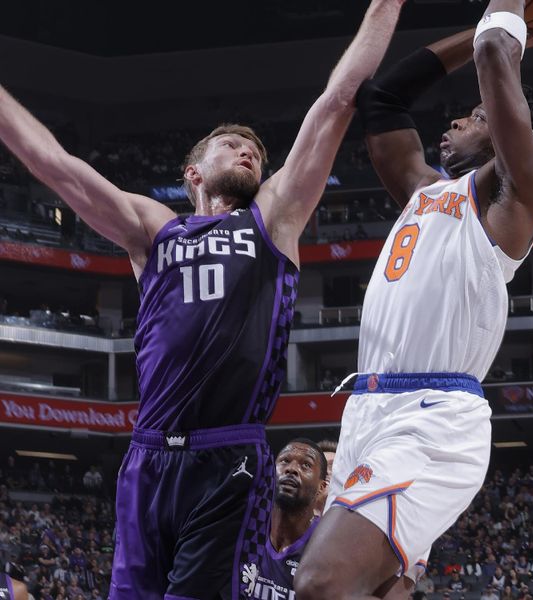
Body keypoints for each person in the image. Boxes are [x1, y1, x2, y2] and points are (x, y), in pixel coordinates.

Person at [0, 1, 406, 597]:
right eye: (232, 143)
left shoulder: (274, 218)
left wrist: (387, 4)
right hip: (147, 455)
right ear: (193, 170)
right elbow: (54, 166)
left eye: (256, 151)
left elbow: (336, 100)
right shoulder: (151, 227)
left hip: (228, 459)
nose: (249, 151)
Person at [295, 1, 533, 598]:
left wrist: (511, 16)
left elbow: (496, 56)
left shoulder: (518, 196)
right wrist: (472, 35)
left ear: (502, 123)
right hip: (368, 412)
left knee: (319, 583)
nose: (451, 126)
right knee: (378, 589)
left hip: (433, 419)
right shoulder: (424, 190)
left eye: (471, 117)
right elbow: (383, 98)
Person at [242, 439, 327, 599]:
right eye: (285, 461)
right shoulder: (243, 528)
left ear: (321, 487)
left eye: (306, 465)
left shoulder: (326, 546)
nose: (291, 469)